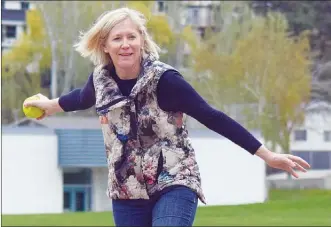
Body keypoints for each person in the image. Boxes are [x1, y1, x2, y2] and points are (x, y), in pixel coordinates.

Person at [24, 7, 310, 227]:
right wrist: (50, 105)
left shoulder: (165, 80)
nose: (126, 44)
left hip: (174, 179)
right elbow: (80, 99)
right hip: (127, 190)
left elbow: (213, 117)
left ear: (142, 42)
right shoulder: (101, 80)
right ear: (105, 46)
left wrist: (267, 155)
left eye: (132, 37)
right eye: (118, 38)